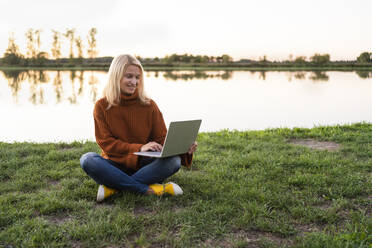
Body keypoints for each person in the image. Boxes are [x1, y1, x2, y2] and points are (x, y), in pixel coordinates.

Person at [80, 54, 197, 202]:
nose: (134, 82)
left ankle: (114, 187)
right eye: (129, 76)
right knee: (88, 159)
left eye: (137, 77)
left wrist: (183, 148)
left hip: (145, 164)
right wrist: (140, 147)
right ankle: (151, 189)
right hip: (114, 163)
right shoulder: (102, 106)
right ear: (116, 77)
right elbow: (106, 143)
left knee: (173, 161)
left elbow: (161, 138)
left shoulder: (149, 105)